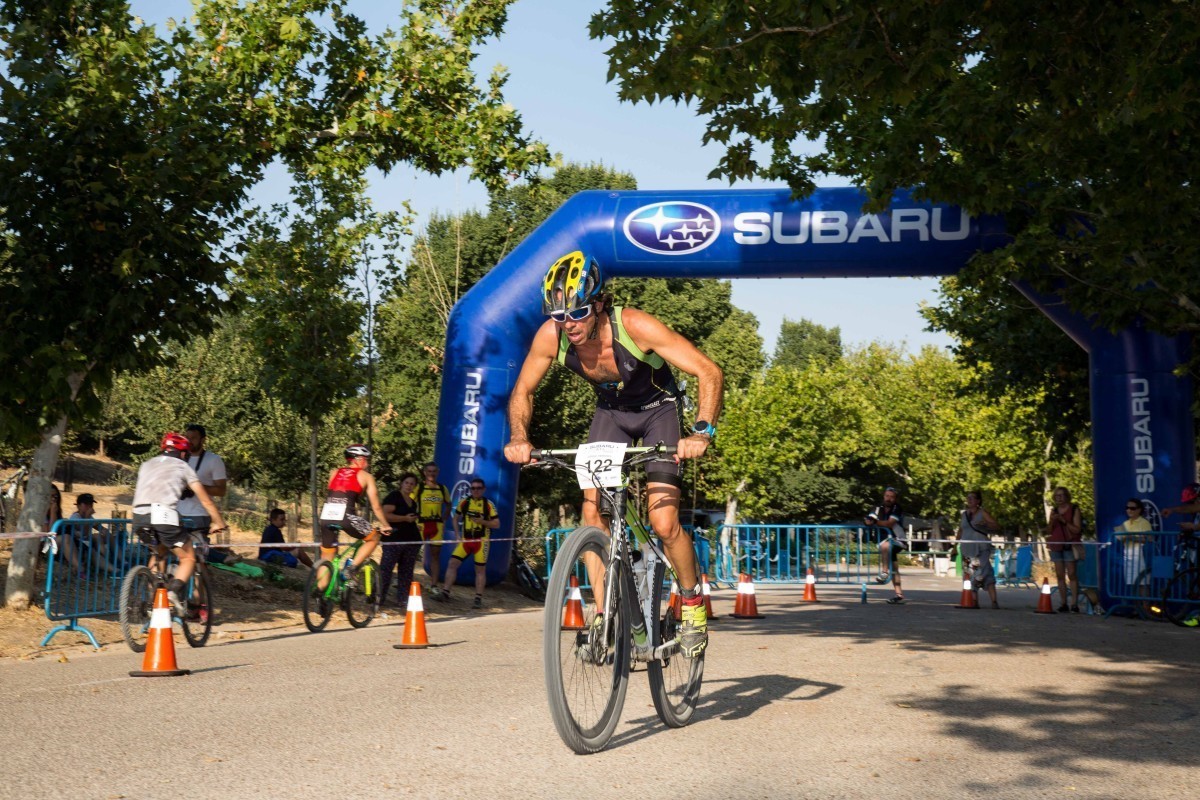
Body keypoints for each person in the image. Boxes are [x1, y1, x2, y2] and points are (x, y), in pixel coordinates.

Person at [504, 250, 724, 658]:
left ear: (599, 304)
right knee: (591, 513)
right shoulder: (551, 336)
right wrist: (520, 437)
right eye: (558, 316)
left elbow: (708, 371)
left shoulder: (635, 325)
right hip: (612, 418)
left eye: (578, 312)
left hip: (659, 412)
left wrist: (702, 430)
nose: (568, 325)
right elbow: (523, 391)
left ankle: (692, 602)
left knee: (663, 520)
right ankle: (606, 614)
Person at [131, 432, 230, 614]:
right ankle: (173, 592)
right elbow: (206, 499)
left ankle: (153, 596)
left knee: (159, 552)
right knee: (188, 557)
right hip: (163, 515)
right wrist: (218, 521)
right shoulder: (183, 467)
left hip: (139, 515)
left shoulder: (147, 464)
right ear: (184, 454)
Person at [316, 444, 387, 590]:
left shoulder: (334, 472)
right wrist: (386, 524)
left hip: (326, 516)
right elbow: (377, 507)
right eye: (366, 459)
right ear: (358, 460)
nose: (367, 463)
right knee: (373, 538)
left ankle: (321, 594)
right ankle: (352, 568)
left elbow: (332, 493)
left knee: (327, 557)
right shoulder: (366, 476)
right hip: (346, 516)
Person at [177, 424, 238, 564]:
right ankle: (222, 558)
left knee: (198, 554)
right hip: (177, 511)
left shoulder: (214, 460)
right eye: (187, 437)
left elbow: (221, 491)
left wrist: (196, 487)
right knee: (178, 550)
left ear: (203, 440)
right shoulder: (179, 458)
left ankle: (218, 562)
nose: (189, 441)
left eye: (193, 438)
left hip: (199, 514)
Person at [438, 477, 500, 609]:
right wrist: (456, 535)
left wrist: (482, 522)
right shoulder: (464, 502)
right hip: (466, 540)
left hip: (481, 541)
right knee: (452, 563)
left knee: (480, 570)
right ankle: (445, 593)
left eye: (478, 488)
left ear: (483, 489)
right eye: (473, 488)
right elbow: (455, 518)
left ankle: (478, 598)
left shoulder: (488, 504)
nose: (475, 491)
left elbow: (496, 524)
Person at [380, 472, 422, 610]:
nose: (409, 486)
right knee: (386, 570)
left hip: (411, 541)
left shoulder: (413, 502)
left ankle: (403, 600)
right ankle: (378, 598)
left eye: (412, 484)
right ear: (401, 483)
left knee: (406, 571)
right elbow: (385, 515)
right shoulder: (394, 496)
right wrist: (404, 518)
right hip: (394, 539)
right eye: (407, 483)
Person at [956, 490, 1000, 609]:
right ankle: (974, 601)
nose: (969, 500)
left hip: (981, 547)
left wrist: (985, 524)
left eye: (972, 498)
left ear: (978, 501)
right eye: (968, 498)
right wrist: (955, 546)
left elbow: (995, 525)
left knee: (985, 572)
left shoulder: (983, 513)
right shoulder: (964, 514)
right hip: (967, 548)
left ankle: (994, 601)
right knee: (969, 574)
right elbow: (961, 530)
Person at [413, 462, 452, 596]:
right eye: (429, 471)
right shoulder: (419, 487)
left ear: (438, 472)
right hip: (421, 524)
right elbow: (410, 502)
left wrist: (445, 517)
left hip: (437, 525)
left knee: (435, 556)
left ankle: (434, 585)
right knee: (412, 553)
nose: (431, 474)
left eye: (434, 471)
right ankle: (406, 580)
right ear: (425, 473)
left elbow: (449, 504)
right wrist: (413, 518)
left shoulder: (442, 488)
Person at [864, 486, 906, 603]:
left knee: (886, 546)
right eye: (887, 496)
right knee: (895, 567)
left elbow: (889, 523)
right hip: (883, 540)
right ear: (884, 496)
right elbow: (869, 518)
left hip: (898, 540)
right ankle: (899, 595)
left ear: (895, 499)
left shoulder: (897, 508)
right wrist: (867, 521)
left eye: (892, 497)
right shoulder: (877, 508)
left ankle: (884, 572)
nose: (889, 499)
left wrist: (875, 522)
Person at [1046, 485, 1083, 613]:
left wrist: (1063, 521)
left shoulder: (1074, 509)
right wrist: (1052, 521)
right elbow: (1049, 530)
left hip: (1069, 544)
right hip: (1056, 544)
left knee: (1072, 574)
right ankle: (1063, 603)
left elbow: (1077, 529)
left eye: (1061, 495)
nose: (1059, 498)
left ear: (1066, 496)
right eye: (1056, 496)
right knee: (1059, 575)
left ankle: (1074, 603)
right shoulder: (1054, 511)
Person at [1115, 497, 1152, 595]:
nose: (1129, 510)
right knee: (1133, 585)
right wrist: (1122, 538)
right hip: (1128, 556)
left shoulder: (1144, 523)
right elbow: (1122, 539)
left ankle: (1145, 609)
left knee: (1143, 584)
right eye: (1127, 508)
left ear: (1139, 510)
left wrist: (1132, 538)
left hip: (1141, 556)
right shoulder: (1125, 523)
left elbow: (1150, 539)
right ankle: (1138, 608)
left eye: (1132, 508)